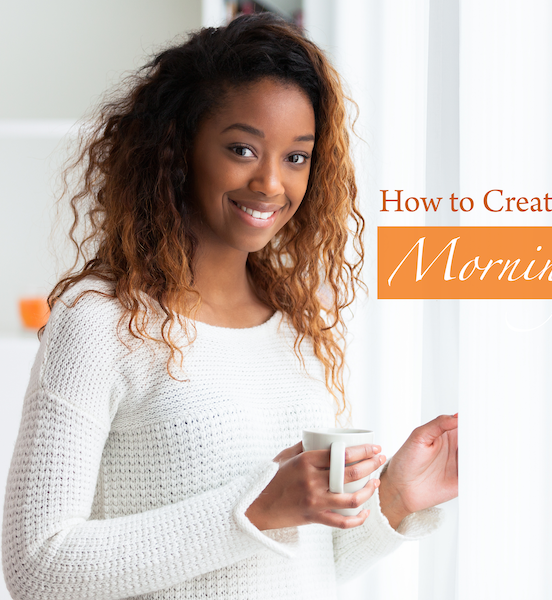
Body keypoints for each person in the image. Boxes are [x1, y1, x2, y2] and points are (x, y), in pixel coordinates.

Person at [2, 13, 458, 600]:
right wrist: (258, 507)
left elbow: (290, 568)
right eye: (243, 148)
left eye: (297, 157)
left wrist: (395, 499)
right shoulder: (101, 323)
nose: (271, 183)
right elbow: (37, 568)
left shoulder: (297, 326)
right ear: (178, 147)